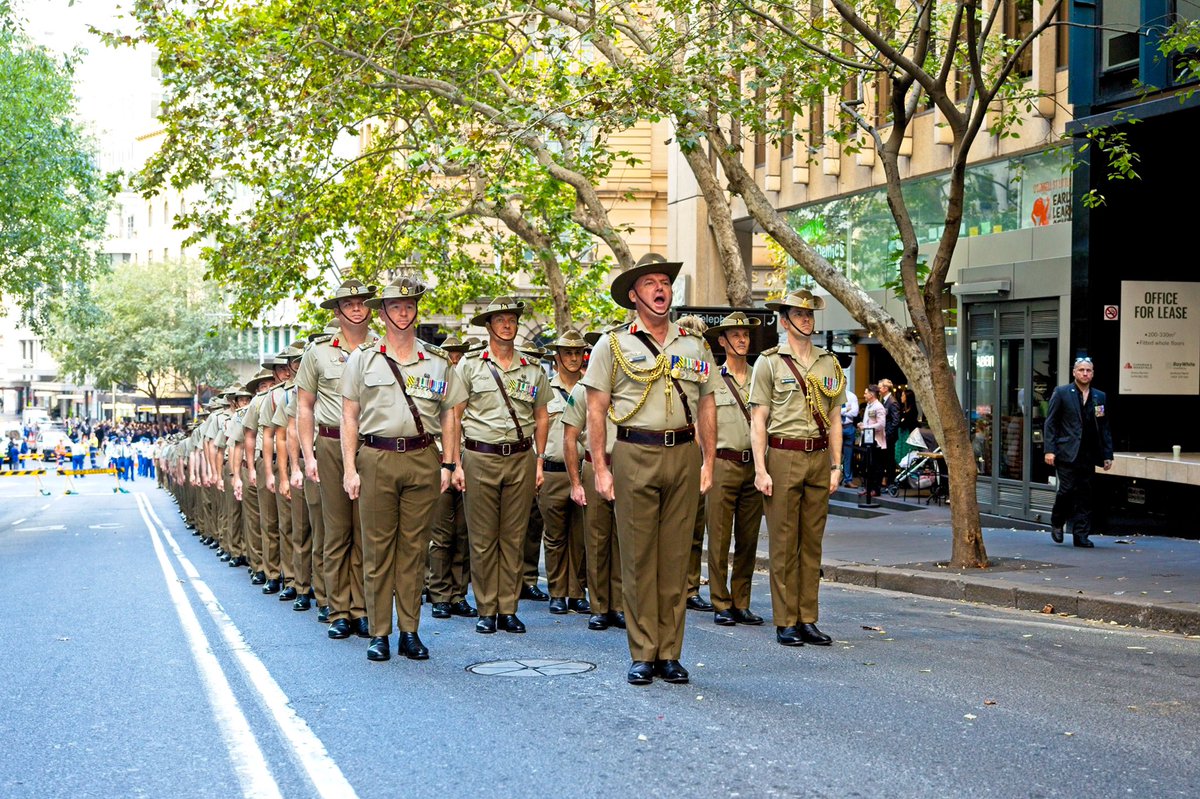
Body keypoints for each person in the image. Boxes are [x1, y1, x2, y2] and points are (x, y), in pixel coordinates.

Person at [583, 253, 716, 686]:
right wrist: (601, 469)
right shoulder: (613, 345)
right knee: (639, 558)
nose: (661, 289)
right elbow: (596, 411)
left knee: (676, 560)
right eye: (650, 284)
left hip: (682, 454)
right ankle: (643, 652)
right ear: (634, 296)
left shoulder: (694, 346)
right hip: (633, 454)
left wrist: (709, 461)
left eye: (665, 282)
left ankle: (670, 652)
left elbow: (708, 405)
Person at [342, 277, 465, 661]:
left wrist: (449, 462)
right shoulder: (363, 358)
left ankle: (409, 631)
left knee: (414, 550)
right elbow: (349, 416)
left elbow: (450, 416)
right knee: (378, 550)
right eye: (395, 306)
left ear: (416, 311)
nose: (403, 312)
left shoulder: (437, 361)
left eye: (409, 306)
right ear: (383, 313)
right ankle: (379, 631)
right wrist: (349, 468)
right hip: (376, 457)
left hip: (422, 458)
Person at [750, 288, 845, 648]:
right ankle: (785, 619)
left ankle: (808, 617)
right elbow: (758, 419)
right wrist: (760, 468)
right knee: (784, 543)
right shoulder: (770, 362)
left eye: (810, 314)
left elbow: (835, 419)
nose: (806, 320)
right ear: (784, 320)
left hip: (818, 457)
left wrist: (837, 465)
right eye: (799, 314)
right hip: (783, 455)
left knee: (812, 543)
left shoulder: (829, 364)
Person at [451, 297, 551, 636]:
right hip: (480, 456)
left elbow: (541, 416)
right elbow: (454, 414)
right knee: (481, 538)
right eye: (500, 319)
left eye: (511, 319)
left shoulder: (532, 368)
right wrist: (455, 463)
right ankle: (486, 608)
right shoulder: (469, 366)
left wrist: (538, 460)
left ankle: (507, 608)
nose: (507, 324)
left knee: (514, 536)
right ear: (489, 326)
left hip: (521, 457)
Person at [297, 279, 379, 640]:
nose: (357, 308)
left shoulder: (384, 348)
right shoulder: (317, 353)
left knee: (366, 531)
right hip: (330, 444)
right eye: (350, 303)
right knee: (336, 529)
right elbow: (304, 407)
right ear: (338, 310)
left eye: (362, 302)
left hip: (374, 445)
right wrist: (307, 455)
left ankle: (362, 609)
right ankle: (338, 610)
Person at [702, 311, 765, 627]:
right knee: (719, 538)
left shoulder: (760, 377)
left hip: (753, 466)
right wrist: (706, 466)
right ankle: (720, 601)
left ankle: (742, 601)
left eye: (746, 335)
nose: (742, 340)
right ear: (723, 341)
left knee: (748, 537)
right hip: (723, 463)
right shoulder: (712, 378)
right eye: (736, 335)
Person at [425, 335, 480, 621]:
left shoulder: (469, 386)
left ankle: (459, 594)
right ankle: (439, 593)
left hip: (467, 461)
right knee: (441, 534)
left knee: (463, 532)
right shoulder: (434, 384)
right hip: (439, 459)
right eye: (451, 356)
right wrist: (450, 463)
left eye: (459, 355)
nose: (455, 360)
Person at [538, 329, 591, 616]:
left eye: (577, 352)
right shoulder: (545, 389)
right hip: (553, 472)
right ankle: (557, 591)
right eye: (567, 352)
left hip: (584, 471)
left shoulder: (591, 388)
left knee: (580, 536)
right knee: (555, 537)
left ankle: (576, 591)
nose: (573, 357)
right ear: (556, 357)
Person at [1043, 356, 1113, 548]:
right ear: (1074, 372)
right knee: (1066, 490)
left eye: (1088, 370)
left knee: (1085, 494)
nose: (1085, 373)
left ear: (1093, 373)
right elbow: (1051, 423)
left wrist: (1107, 455)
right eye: (1081, 370)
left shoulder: (1100, 397)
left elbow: (1104, 426)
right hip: (1066, 452)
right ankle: (1057, 521)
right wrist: (1049, 450)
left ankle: (1081, 535)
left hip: (1088, 454)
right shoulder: (1062, 392)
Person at [857, 384, 887, 499]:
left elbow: (881, 424)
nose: (864, 395)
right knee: (866, 465)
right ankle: (868, 487)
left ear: (871, 394)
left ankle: (875, 489)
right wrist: (863, 425)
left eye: (865, 393)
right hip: (867, 439)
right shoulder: (869, 406)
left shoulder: (878, 407)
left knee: (875, 465)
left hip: (875, 441)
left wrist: (866, 427)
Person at [878, 378, 900, 488]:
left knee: (889, 459)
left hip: (888, 437)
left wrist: (888, 433)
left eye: (880, 387)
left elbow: (896, 420)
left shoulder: (892, 402)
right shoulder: (883, 401)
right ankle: (885, 480)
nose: (878, 389)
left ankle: (891, 482)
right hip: (883, 435)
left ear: (886, 389)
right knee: (884, 459)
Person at [840, 387, 860, 486]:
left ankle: (848, 479)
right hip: (837, 428)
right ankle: (837, 477)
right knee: (836, 455)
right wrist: (846, 409)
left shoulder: (852, 396)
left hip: (848, 427)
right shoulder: (833, 395)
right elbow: (832, 412)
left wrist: (840, 411)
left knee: (848, 455)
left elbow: (855, 412)